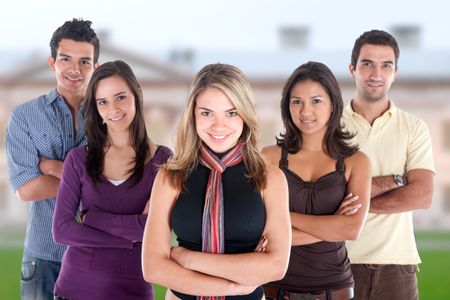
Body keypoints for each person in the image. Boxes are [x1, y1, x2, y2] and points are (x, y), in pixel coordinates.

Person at [141, 63, 291, 299]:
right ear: (193, 114)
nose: (218, 126)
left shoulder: (270, 179)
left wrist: (187, 259)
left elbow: (275, 266)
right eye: (207, 113)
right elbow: (153, 267)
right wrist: (231, 286)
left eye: (231, 113)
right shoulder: (170, 176)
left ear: (245, 114)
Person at [51, 60, 172, 299]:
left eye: (120, 97)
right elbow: (62, 231)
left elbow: (157, 232)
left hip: (133, 291)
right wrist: (129, 238)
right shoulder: (78, 159)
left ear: (137, 92)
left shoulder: (163, 160)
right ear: (95, 108)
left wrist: (93, 219)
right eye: (102, 102)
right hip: (75, 289)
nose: (113, 109)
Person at [6, 18, 99, 299]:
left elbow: (117, 180)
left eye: (84, 61)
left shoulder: (109, 117)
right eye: (66, 58)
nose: (75, 69)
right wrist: (89, 181)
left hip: (96, 254)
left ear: (96, 66)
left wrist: (51, 167)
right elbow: (27, 189)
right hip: (43, 256)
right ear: (52, 62)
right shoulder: (24, 117)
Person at [262, 61, 371, 300]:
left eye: (316, 101)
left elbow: (351, 229)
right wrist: (333, 226)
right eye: (297, 101)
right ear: (287, 106)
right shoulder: (268, 158)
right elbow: (262, 232)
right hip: (274, 288)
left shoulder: (356, 162)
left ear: (333, 104)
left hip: (335, 289)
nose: (305, 111)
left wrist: (284, 219)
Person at [342, 29, 435, 300]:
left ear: (395, 72)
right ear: (352, 69)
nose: (376, 74)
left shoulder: (414, 128)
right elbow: (326, 191)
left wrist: (354, 204)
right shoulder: (330, 127)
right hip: (340, 263)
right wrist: (395, 181)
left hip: (397, 266)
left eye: (386, 65)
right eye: (367, 64)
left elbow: (422, 194)